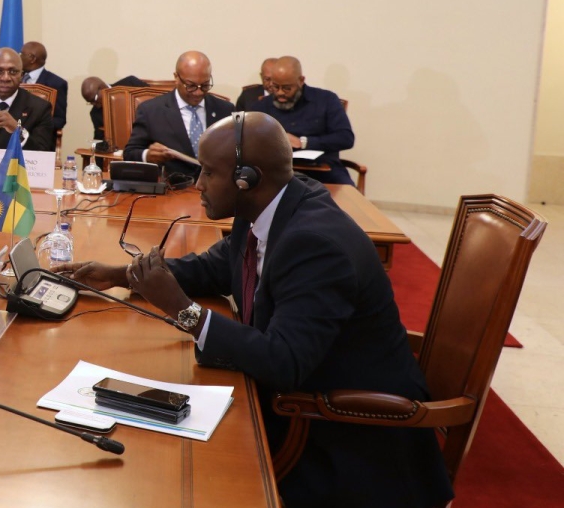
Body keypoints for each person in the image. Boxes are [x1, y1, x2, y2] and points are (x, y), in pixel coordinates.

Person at [56, 112, 453, 508]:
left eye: (209, 172)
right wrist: (122, 275)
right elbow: (212, 268)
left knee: (171, 473)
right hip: (306, 398)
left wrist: (183, 310)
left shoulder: (315, 244)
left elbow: (284, 361)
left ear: (247, 178)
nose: (197, 184)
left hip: (349, 440)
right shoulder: (269, 206)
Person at [123, 51, 234, 181]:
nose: (198, 92)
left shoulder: (225, 110)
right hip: (173, 188)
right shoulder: (151, 111)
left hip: (216, 187)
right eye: (191, 86)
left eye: (205, 85)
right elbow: (130, 153)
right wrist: (148, 155)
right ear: (176, 78)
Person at [249, 56, 355, 185]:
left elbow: (345, 138)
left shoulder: (326, 100)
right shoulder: (261, 107)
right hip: (277, 171)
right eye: (275, 87)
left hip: (323, 169)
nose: (280, 93)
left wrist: (303, 142)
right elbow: (248, 142)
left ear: (301, 80)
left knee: (348, 193)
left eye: (287, 88)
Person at [80, 74, 148, 142]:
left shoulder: (130, 83)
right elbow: (100, 139)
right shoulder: (95, 113)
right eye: (90, 102)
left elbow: (153, 102)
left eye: (94, 100)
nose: (94, 104)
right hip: (123, 146)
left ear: (102, 88)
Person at [19, 41, 68, 131]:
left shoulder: (56, 83)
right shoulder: (15, 79)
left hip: (39, 135)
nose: (19, 57)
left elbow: (59, 120)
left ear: (32, 58)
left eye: (21, 54)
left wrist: (33, 125)